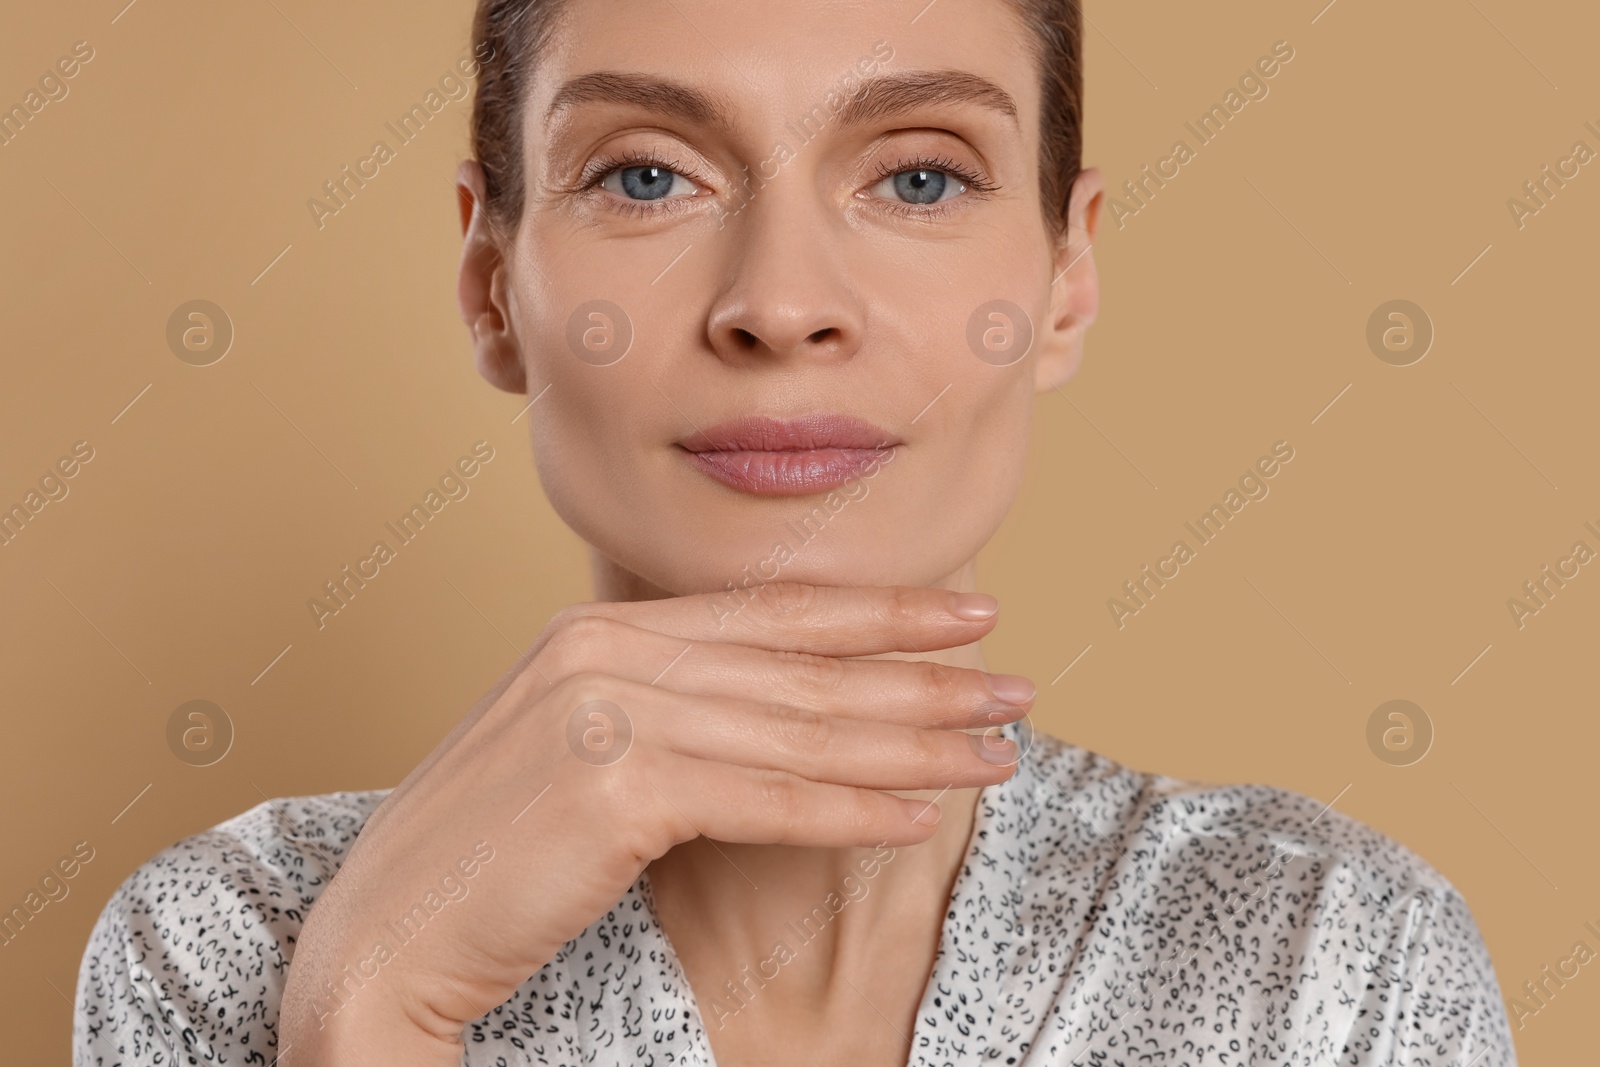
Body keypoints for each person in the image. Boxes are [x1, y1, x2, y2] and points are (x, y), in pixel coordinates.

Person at [73, 1, 1519, 1064]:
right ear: (491, 282)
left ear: (1067, 277)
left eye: (920, 176)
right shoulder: (232, 950)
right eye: (647, 175)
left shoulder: (1332, 958)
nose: (780, 301)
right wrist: (371, 1018)